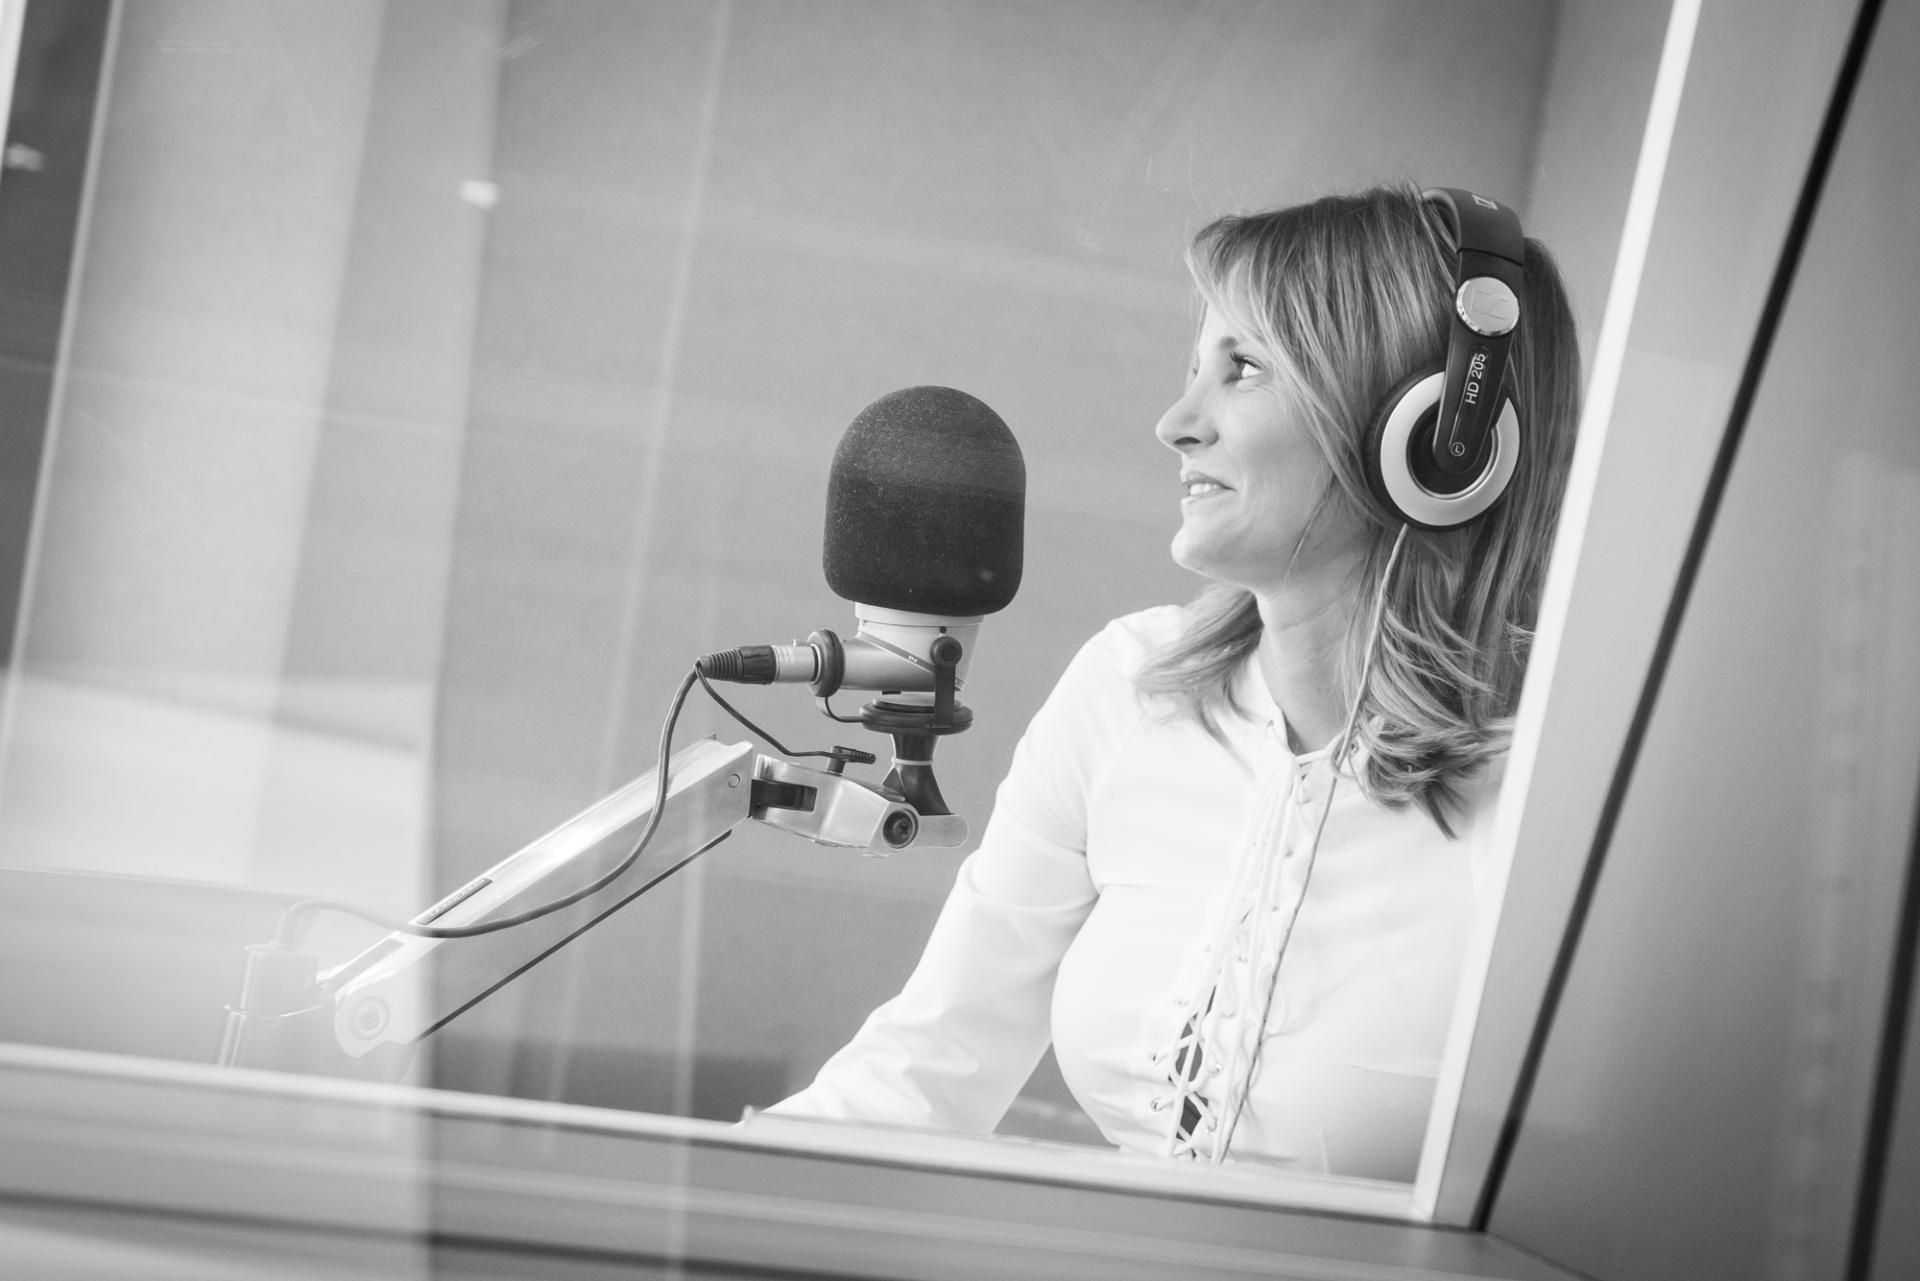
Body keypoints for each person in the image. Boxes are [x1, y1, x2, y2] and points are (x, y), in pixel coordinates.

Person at [766, 184, 1582, 1181]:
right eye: (1194, 369)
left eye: (1244, 369)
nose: (1175, 423)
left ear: (1437, 442)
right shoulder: (1128, 688)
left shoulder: (1553, 793)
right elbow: (929, 1065)